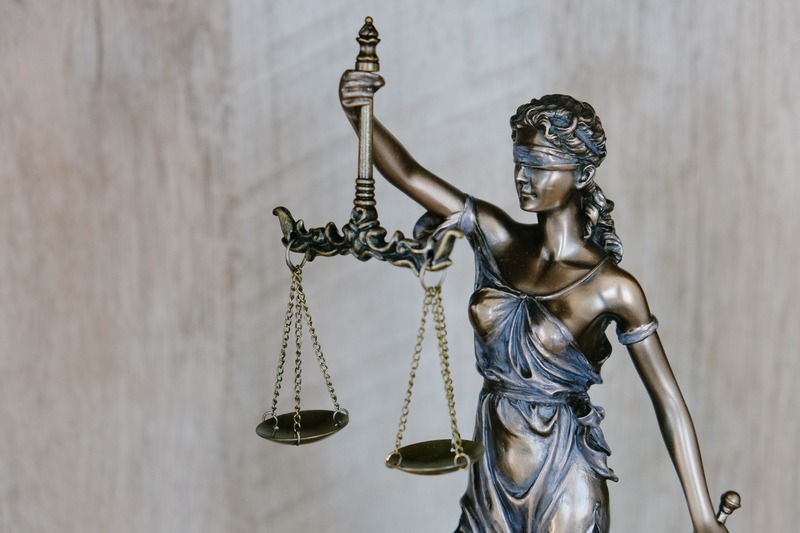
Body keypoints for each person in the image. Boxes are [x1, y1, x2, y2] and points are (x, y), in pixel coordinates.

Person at [339, 70, 728, 533]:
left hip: (566, 476)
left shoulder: (614, 287)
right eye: (519, 162)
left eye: (539, 165)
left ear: (581, 173)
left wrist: (703, 517)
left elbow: (668, 400)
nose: (523, 177)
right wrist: (358, 114)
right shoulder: (496, 237)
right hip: (491, 476)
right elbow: (408, 174)